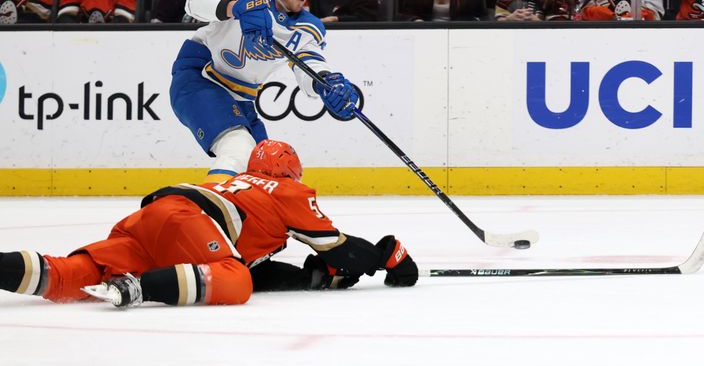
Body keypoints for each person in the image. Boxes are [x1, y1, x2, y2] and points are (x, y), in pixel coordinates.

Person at [0, 139, 419, 308]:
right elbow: (338, 246)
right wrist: (389, 256)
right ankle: (138, 287)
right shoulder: (289, 192)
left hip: (153, 219)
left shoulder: (239, 181)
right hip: (192, 222)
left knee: (71, 274)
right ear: (291, 172)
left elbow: (260, 266)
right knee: (234, 282)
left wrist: (312, 279)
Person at [171, 0, 360, 182]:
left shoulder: (308, 27)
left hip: (241, 100)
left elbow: (309, 67)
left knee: (275, 173)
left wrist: (327, 85)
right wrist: (235, 7)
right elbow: (195, 0)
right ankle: (202, 212)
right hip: (200, 78)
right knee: (237, 149)